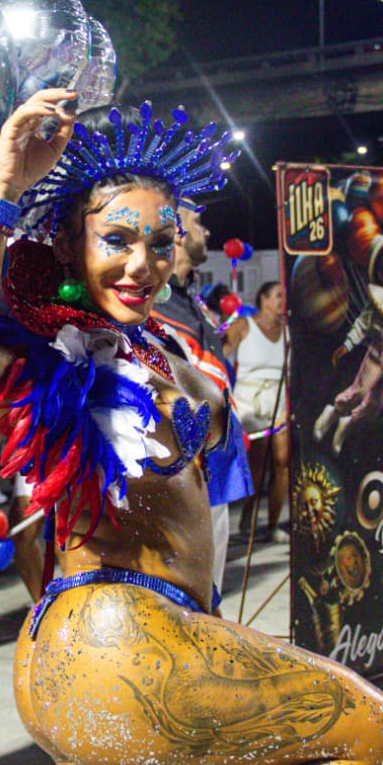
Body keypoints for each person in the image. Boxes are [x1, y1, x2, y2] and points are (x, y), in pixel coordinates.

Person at [0, 91, 383, 765]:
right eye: (117, 240)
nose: (141, 264)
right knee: (371, 730)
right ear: (68, 247)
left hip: (113, 649)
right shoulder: (64, 358)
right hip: (118, 636)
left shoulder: (159, 350)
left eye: (160, 242)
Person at [151, 202, 253, 590]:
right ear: (175, 232)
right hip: (182, 467)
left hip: (214, 462)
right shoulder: (152, 302)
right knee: (184, 589)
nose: (206, 232)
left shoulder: (190, 299)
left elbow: (200, 370)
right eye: (197, 222)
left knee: (210, 588)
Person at [314, 234, 383, 454]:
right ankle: (332, 412)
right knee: (359, 392)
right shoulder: (376, 303)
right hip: (375, 357)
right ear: (379, 273)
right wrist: (347, 345)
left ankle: (347, 424)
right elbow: (361, 326)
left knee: (375, 405)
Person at [225, 281, 290, 542]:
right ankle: (248, 516)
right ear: (263, 299)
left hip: (279, 399)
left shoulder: (288, 330)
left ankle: (273, 526)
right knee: (258, 464)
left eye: (284, 296)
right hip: (249, 400)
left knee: (282, 462)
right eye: (277, 296)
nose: (282, 301)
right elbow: (220, 351)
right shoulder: (244, 325)